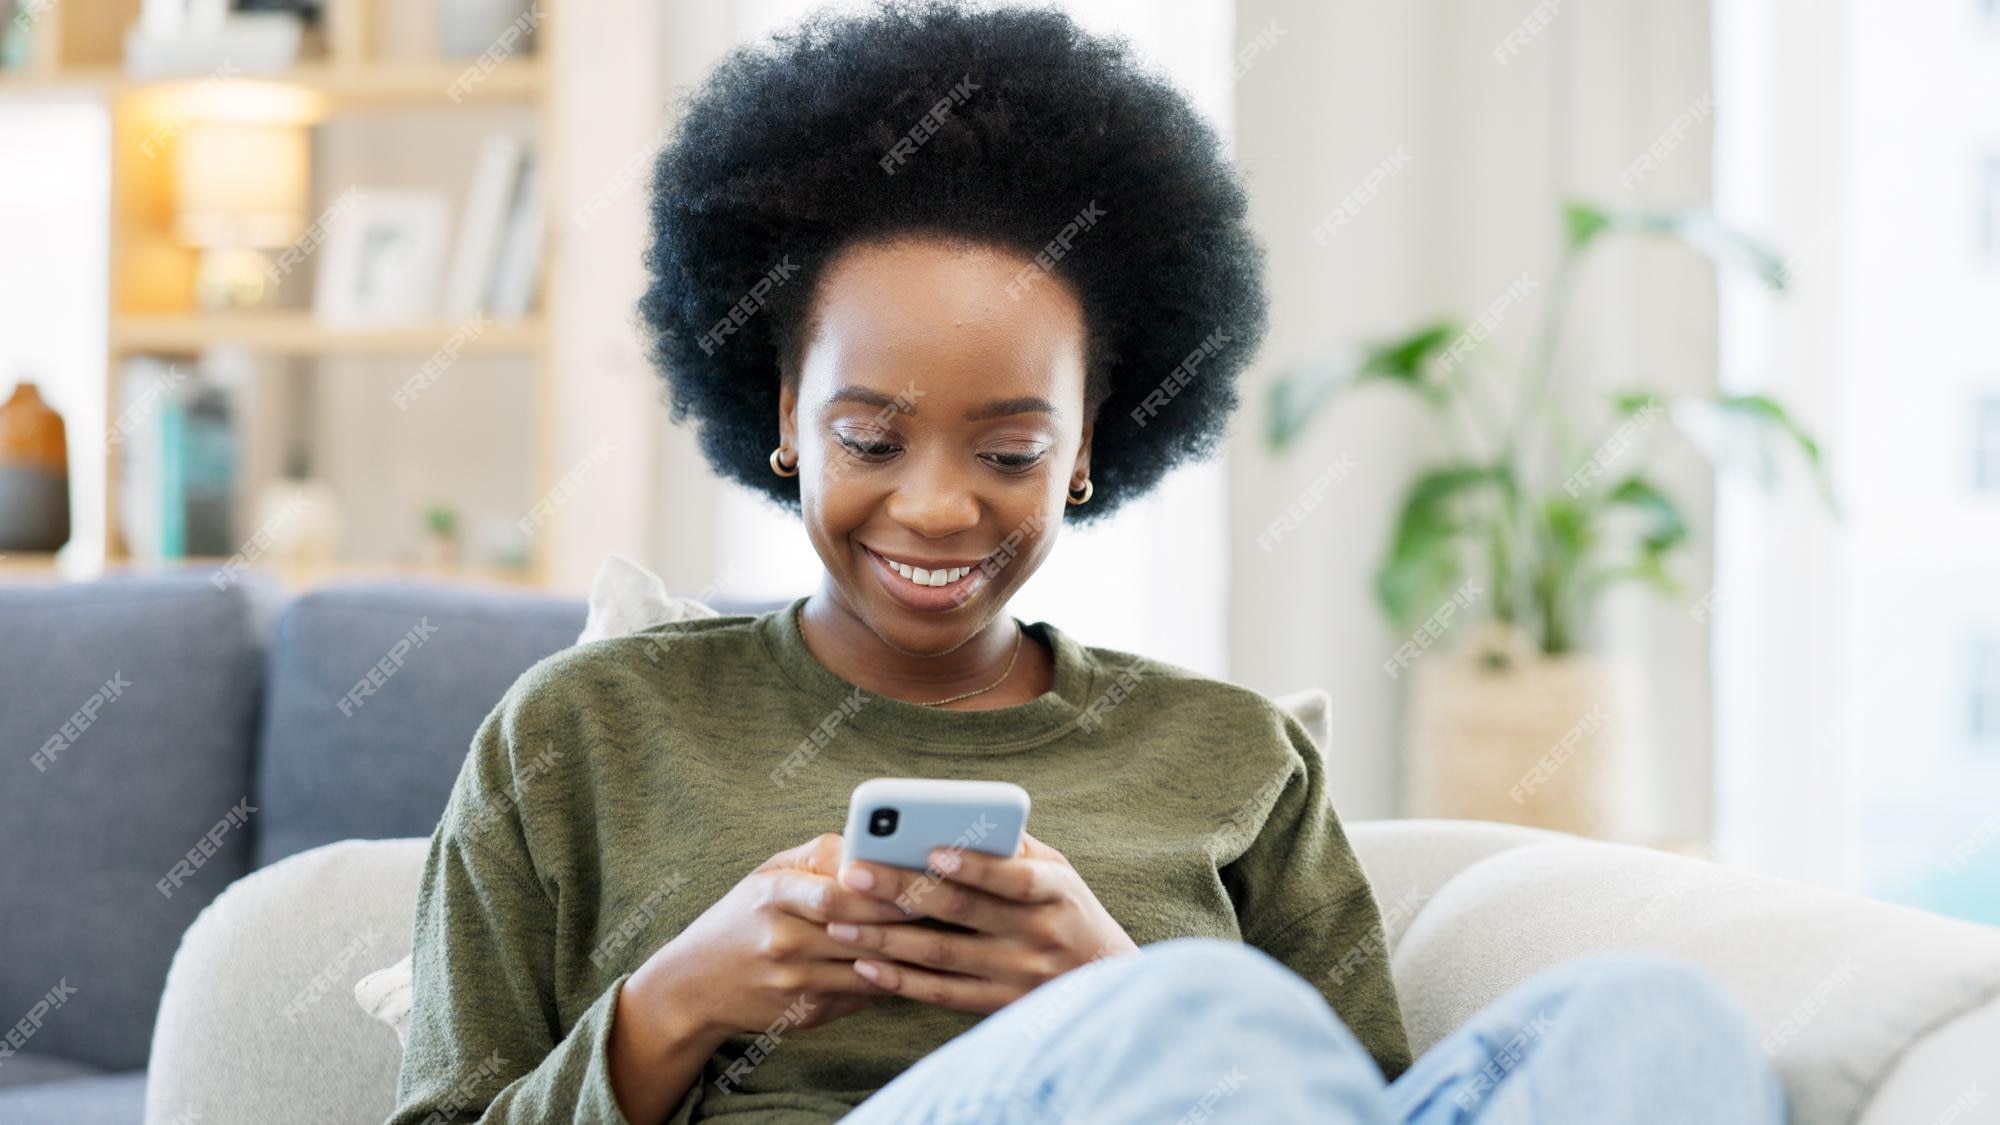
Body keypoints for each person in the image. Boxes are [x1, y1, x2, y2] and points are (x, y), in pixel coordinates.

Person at [385, 3, 1787, 1122]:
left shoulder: (1235, 756)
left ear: (1087, 450)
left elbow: (1370, 1100)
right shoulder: (583, 735)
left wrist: (1111, 989)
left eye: (1005, 453)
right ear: (782, 423)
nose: (935, 509)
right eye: (873, 436)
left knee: (1655, 1019)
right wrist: (674, 1002)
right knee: (1197, 1003)